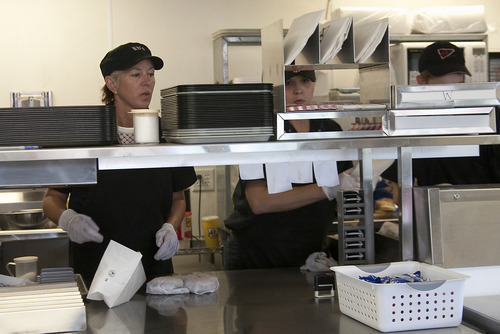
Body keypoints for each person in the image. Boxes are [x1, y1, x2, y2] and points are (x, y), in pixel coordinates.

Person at [43, 42, 197, 286]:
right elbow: (52, 198)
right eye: (136, 74)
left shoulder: (167, 134)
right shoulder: (87, 135)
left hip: (153, 265)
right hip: (96, 269)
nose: (147, 81)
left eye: (151, 74)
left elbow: (178, 199)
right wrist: (69, 220)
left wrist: (169, 228)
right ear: (112, 83)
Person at [223, 70, 358, 270]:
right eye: (288, 83)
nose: (298, 90)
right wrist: (327, 189)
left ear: (314, 84)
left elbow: (342, 201)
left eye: (305, 81)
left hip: (309, 250)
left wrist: (360, 176)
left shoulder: (329, 128)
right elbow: (259, 202)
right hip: (257, 253)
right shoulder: (261, 129)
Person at [382, 41, 500, 189]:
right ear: (420, 82)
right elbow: (397, 189)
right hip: (434, 208)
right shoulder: (411, 123)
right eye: (442, 90)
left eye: (458, 87)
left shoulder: (489, 116)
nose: (451, 98)